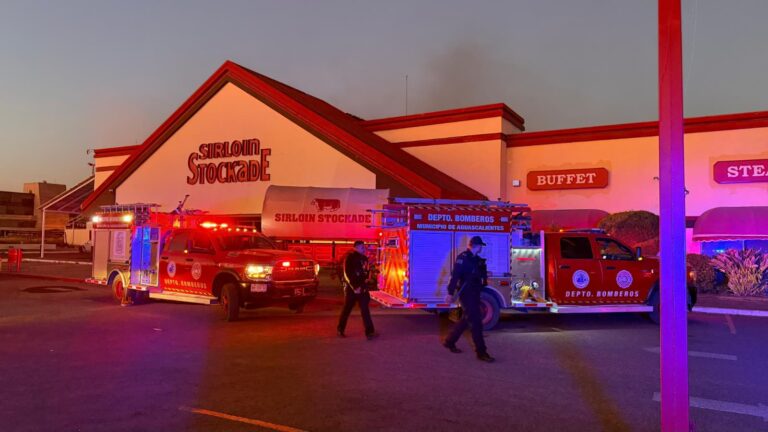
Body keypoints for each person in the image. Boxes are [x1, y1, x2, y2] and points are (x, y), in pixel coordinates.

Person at [442, 236, 494, 362]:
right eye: (480, 246)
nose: (481, 248)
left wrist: (485, 274)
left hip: (475, 293)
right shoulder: (463, 258)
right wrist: (450, 293)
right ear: (476, 245)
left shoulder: (476, 259)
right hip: (467, 294)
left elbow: (478, 275)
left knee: (466, 319)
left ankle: (450, 341)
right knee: (476, 322)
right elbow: (455, 276)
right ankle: (481, 352)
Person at [337, 241, 377, 340]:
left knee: (365, 310)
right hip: (352, 289)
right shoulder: (349, 257)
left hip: (362, 288)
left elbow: (366, 272)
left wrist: (368, 279)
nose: (364, 249)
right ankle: (340, 329)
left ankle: (369, 332)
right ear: (356, 247)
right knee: (347, 309)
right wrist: (354, 287)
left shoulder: (364, 258)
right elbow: (347, 274)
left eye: (364, 247)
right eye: (362, 247)